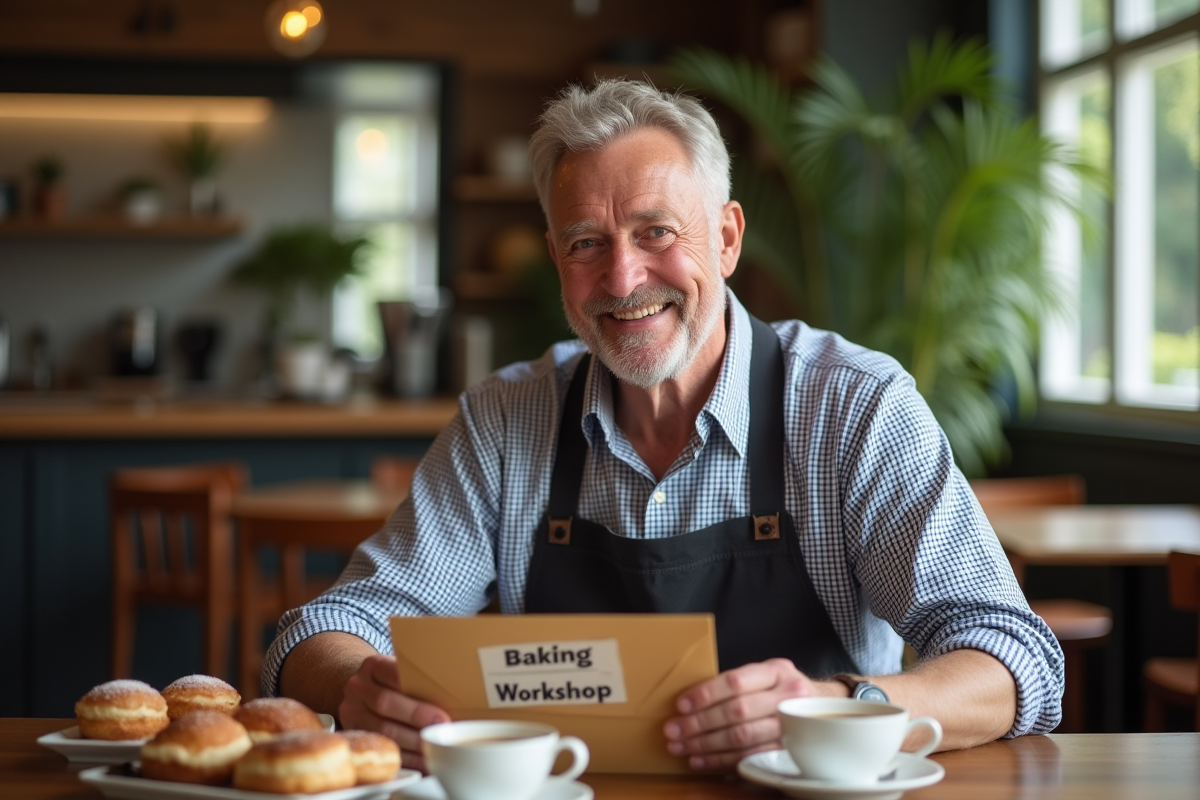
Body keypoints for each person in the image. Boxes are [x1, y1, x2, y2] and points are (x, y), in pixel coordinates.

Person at [266, 79, 1063, 773]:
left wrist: (837, 705)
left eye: (655, 232)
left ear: (725, 237)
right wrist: (357, 687)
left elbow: (1013, 657)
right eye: (587, 243)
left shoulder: (850, 407)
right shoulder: (506, 421)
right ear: (557, 261)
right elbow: (328, 627)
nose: (622, 277)